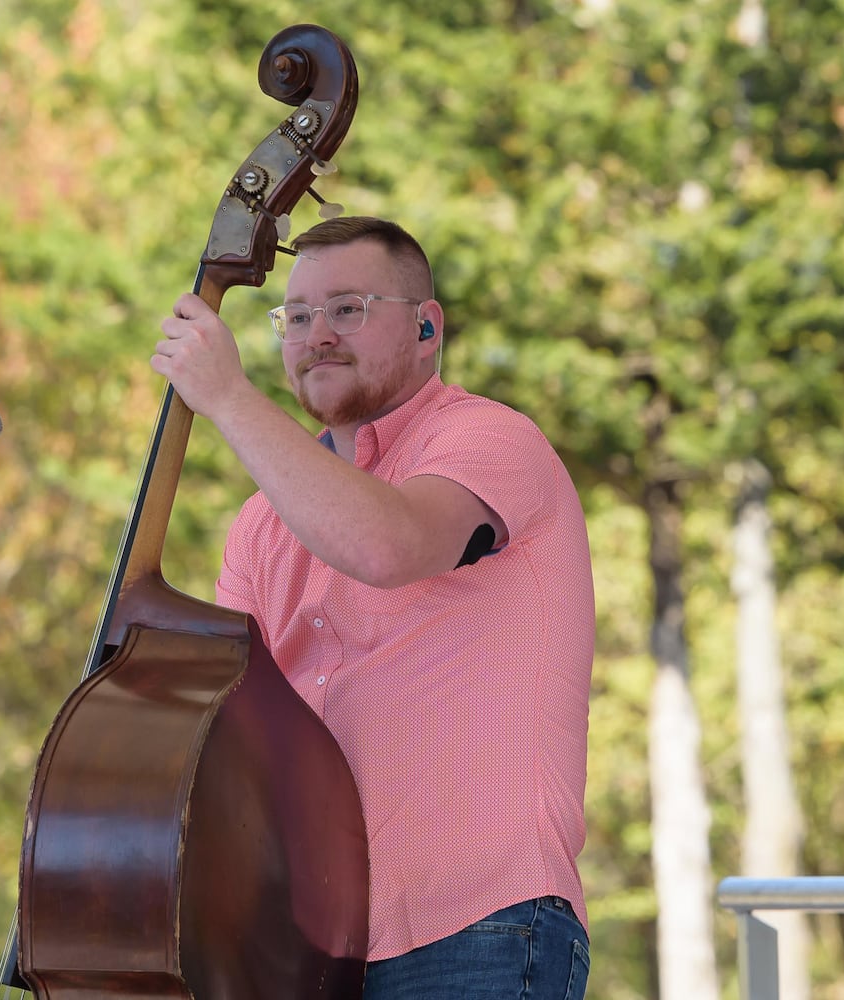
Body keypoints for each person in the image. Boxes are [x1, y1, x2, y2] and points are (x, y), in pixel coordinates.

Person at [152, 216, 595, 999]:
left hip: (477, 930)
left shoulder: (491, 438)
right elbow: (235, 741)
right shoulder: (261, 524)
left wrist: (226, 397)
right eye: (296, 316)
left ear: (428, 328)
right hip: (304, 952)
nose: (316, 335)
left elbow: (388, 546)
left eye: (348, 309)